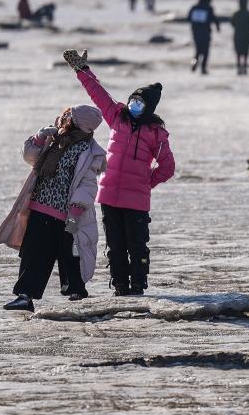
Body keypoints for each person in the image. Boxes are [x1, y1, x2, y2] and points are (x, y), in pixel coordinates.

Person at [62, 49, 176, 296]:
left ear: (148, 108)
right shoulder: (117, 117)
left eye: (140, 104)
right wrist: (81, 69)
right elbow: (98, 92)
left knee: (136, 245)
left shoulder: (155, 134)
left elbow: (167, 167)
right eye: (133, 101)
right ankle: (120, 285)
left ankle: (138, 284)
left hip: (136, 200)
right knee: (115, 246)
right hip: (110, 197)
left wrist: (146, 182)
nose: (134, 106)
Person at [0, 104, 106, 312]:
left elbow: (88, 185)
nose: (63, 117)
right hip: (39, 207)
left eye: (68, 115)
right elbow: (30, 156)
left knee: (70, 253)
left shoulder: (90, 152)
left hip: (68, 213)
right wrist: (38, 137)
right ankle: (25, 297)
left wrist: (76, 210)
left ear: (78, 122)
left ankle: (77, 292)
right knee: (33, 254)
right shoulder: (55, 139)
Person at [187, 0, 219, 74]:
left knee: (197, 51)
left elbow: (188, 18)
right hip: (206, 33)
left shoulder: (194, 7)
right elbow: (214, 18)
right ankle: (203, 68)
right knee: (205, 51)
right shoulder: (208, 8)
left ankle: (194, 64)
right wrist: (218, 27)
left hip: (196, 33)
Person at [230, 0, 249, 75]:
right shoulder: (248, 13)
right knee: (245, 53)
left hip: (237, 36)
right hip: (246, 36)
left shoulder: (236, 13)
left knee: (238, 53)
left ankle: (239, 68)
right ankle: (244, 68)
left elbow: (232, 23)